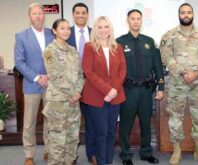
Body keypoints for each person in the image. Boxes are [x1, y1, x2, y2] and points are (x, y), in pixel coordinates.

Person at [160, 3, 198, 165]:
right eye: (183, 12)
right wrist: (184, 73)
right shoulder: (169, 35)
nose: (186, 15)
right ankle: (177, 150)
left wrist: (196, 73)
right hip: (177, 84)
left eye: (188, 12)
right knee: (175, 118)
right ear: (179, 15)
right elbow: (167, 57)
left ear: (193, 14)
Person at [117, 9, 165, 165]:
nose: (136, 21)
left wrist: (161, 87)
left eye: (138, 18)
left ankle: (146, 153)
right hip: (128, 90)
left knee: (146, 122)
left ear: (141, 21)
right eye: (133, 18)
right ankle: (125, 154)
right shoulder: (119, 42)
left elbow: (158, 66)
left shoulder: (149, 42)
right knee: (125, 123)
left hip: (146, 89)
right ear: (128, 21)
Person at [80, 16, 126, 165]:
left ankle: (108, 161)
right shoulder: (89, 47)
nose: (103, 30)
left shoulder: (117, 47)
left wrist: (114, 90)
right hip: (95, 96)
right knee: (100, 132)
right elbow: (88, 71)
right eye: (100, 27)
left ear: (110, 29)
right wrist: (107, 90)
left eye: (106, 27)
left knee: (111, 131)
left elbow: (122, 71)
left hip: (115, 96)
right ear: (96, 30)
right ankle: (100, 162)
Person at [14, 3, 54, 165]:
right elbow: (19, 62)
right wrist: (38, 78)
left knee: (50, 119)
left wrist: (49, 76)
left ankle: (49, 150)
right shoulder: (21, 36)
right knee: (29, 122)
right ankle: (29, 155)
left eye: (40, 13)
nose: (38, 16)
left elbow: (57, 59)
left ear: (44, 16)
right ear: (29, 17)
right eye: (34, 14)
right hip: (32, 85)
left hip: (51, 85)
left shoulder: (52, 34)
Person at [42, 18, 84, 165]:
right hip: (58, 103)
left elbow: (80, 74)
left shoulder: (73, 51)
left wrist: (78, 92)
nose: (66, 31)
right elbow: (55, 76)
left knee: (72, 138)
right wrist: (73, 93)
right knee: (57, 141)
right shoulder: (49, 50)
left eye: (68, 28)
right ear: (54, 31)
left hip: (73, 103)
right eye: (62, 28)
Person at [65, 2, 94, 163]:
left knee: (91, 122)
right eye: (77, 13)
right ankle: (71, 155)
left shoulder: (95, 33)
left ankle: (91, 154)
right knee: (72, 122)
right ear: (73, 15)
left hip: (91, 84)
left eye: (84, 12)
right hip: (71, 86)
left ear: (87, 15)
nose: (81, 15)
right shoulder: (65, 33)